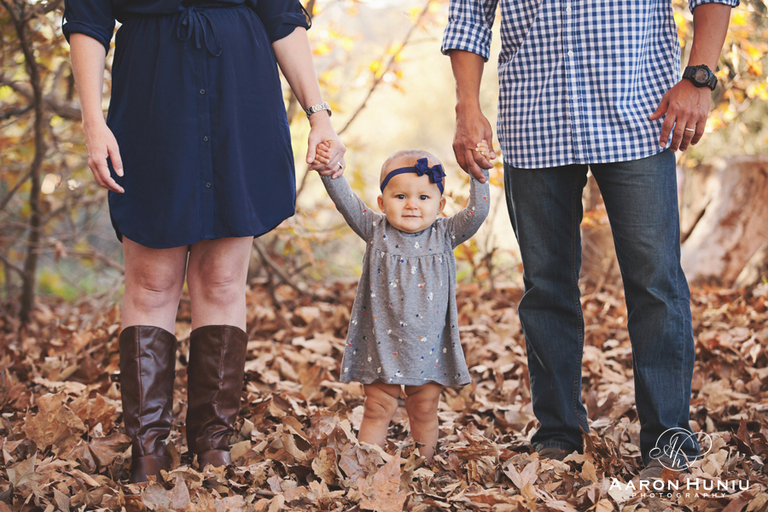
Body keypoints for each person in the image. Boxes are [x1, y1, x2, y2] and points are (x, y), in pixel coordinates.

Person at [442, 0, 738, 478]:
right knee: (546, 287)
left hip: (639, 116)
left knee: (655, 283)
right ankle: (558, 434)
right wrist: (467, 107)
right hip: (534, 121)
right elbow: (470, 15)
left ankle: (669, 439)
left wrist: (699, 77)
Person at [63, 0, 345, 483]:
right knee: (152, 282)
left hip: (241, 102)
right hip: (153, 103)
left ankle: (212, 444)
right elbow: (87, 20)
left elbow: (281, 17)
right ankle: (147, 449)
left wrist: (319, 113)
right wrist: (93, 121)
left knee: (222, 280)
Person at [312, 144, 490, 460]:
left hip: (430, 346)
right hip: (381, 342)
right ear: (382, 202)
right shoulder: (375, 229)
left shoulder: (445, 233)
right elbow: (346, 202)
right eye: (400, 197)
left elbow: (477, 214)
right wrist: (330, 172)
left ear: (441, 204)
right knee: (378, 406)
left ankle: (425, 467)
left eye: (423, 197)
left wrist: (480, 174)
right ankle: (365, 467)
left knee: (423, 408)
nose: (412, 205)